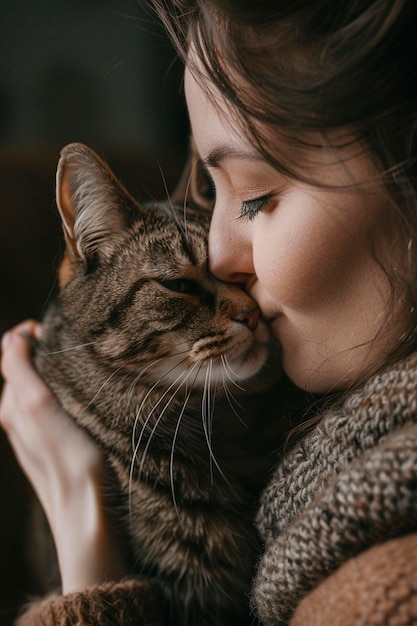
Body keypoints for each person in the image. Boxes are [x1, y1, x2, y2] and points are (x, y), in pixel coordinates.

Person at [2, 0, 417, 623]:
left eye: (256, 196)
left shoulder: (383, 584)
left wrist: (83, 544)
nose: (223, 255)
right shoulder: (332, 445)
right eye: (211, 191)